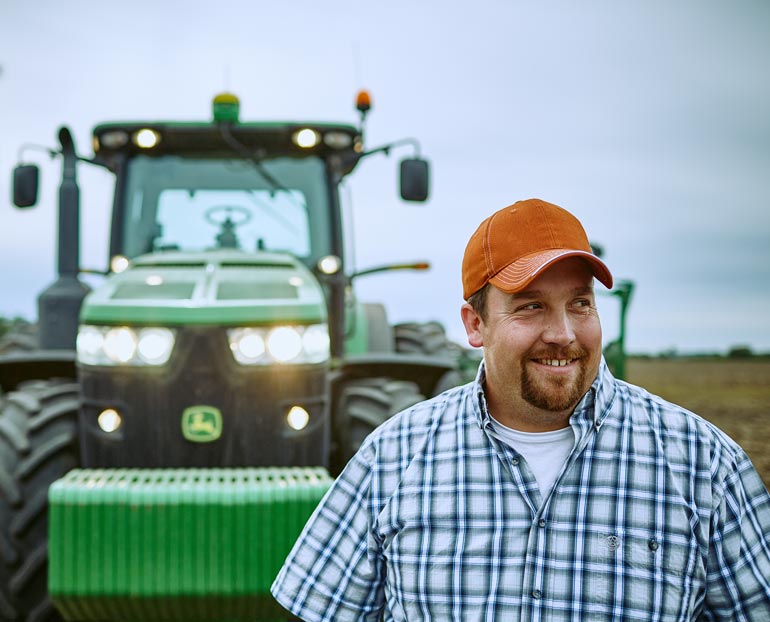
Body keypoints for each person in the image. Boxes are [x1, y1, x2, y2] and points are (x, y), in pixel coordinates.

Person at [271, 198, 770, 621]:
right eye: (531, 306)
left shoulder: (705, 466)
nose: (564, 334)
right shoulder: (392, 457)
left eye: (580, 303)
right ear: (475, 324)